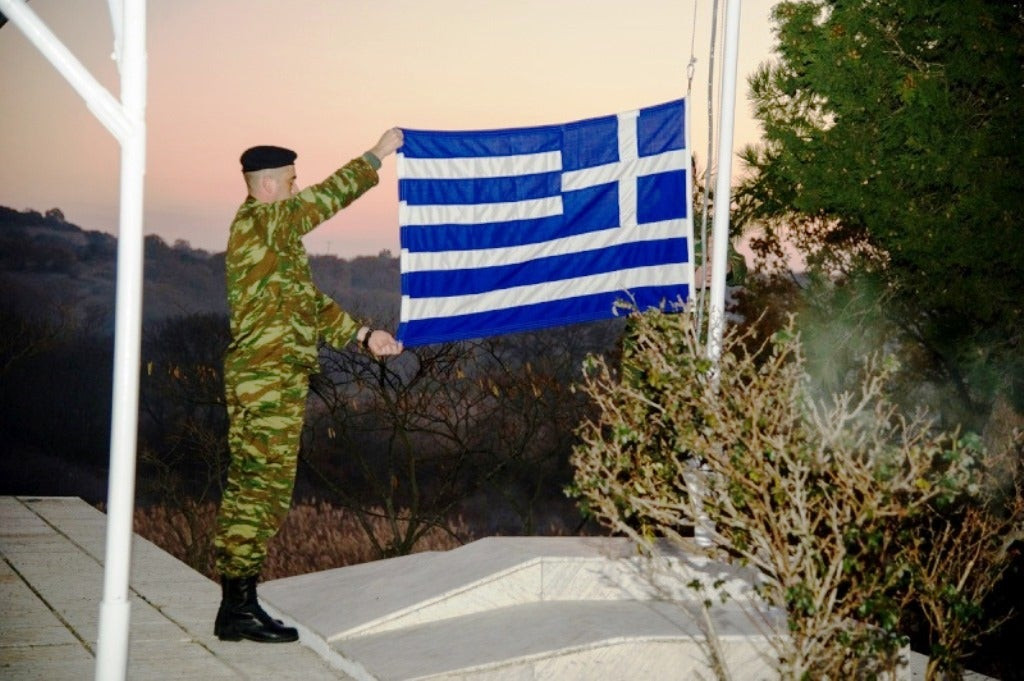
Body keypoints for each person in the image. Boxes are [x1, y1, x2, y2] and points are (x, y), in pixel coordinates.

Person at [213, 128, 405, 643]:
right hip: (264, 377)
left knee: (267, 491)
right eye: (292, 183)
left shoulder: (277, 240)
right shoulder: (261, 220)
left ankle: (241, 604)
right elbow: (324, 200)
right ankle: (236, 607)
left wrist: (365, 335)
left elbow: (310, 305)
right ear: (268, 186)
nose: (299, 190)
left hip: (276, 376)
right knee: (257, 489)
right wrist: (376, 156)